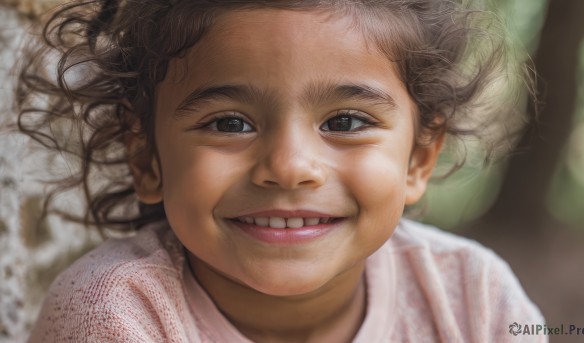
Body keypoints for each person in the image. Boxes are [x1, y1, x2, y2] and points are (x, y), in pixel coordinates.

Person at [18, 0, 545, 342]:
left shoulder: (475, 301)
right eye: (229, 123)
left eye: (345, 121)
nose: (290, 168)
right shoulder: (114, 317)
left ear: (419, 158)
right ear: (145, 156)